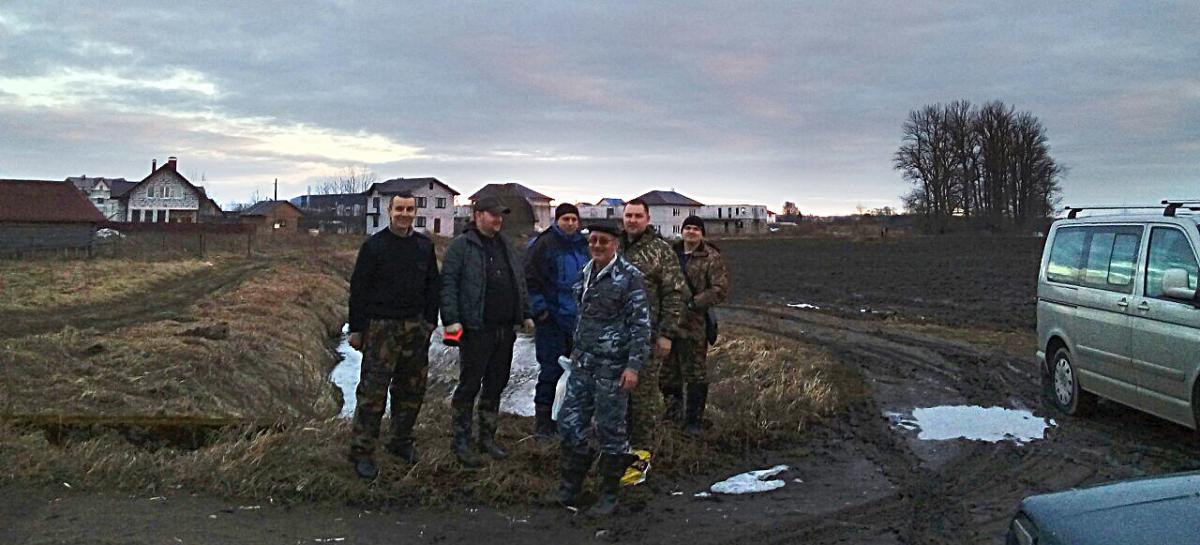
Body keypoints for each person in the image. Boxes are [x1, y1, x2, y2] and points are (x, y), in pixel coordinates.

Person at [553, 224, 652, 516]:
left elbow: (641, 326)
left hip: (613, 367)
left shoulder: (630, 277)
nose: (597, 245)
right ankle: (571, 487)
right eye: (593, 240)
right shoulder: (585, 273)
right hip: (583, 363)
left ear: (615, 244)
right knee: (569, 423)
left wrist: (633, 366)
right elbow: (583, 316)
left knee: (611, 431)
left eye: (603, 241)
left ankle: (609, 494)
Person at [346, 190, 439, 479]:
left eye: (409, 209)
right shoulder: (374, 246)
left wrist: (429, 322)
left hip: (415, 328)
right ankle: (362, 451)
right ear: (389, 211)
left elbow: (433, 287)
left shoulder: (424, 246)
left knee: (411, 389)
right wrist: (357, 329)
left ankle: (400, 441)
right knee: (373, 392)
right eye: (399, 209)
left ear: (415, 213)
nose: (404, 214)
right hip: (381, 328)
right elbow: (358, 290)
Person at [441, 196, 534, 467]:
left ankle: (486, 437)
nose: (498, 219)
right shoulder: (461, 246)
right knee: (469, 385)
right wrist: (451, 320)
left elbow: (519, 281)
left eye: (500, 215)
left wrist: (525, 313)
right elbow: (448, 284)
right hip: (475, 329)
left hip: (504, 329)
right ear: (478, 215)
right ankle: (461, 440)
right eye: (493, 214)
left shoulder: (505, 245)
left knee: (496, 384)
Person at [618, 199, 688, 447]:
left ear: (648, 219)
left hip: (647, 339)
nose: (632, 220)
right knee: (615, 399)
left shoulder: (660, 251)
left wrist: (666, 334)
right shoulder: (614, 247)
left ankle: (642, 456)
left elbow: (674, 294)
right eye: (628, 215)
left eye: (638, 216)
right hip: (614, 338)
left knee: (642, 400)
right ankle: (617, 451)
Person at [525, 203, 588, 438]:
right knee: (551, 370)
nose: (570, 224)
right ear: (557, 221)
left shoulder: (584, 245)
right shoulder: (543, 244)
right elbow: (529, 280)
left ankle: (570, 421)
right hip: (551, 320)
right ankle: (544, 424)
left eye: (574, 219)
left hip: (578, 321)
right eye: (565, 219)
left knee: (579, 373)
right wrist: (540, 310)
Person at [662, 215, 729, 437]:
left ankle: (693, 422)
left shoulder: (711, 257)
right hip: (669, 324)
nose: (691, 232)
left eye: (695, 229)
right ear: (682, 231)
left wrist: (694, 303)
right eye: (687, 228)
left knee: (695, 375)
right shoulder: (670, 254)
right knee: (668, 374)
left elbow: (719, 289)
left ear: (702, 233)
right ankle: (672, 416)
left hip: (694, 326)